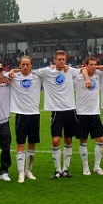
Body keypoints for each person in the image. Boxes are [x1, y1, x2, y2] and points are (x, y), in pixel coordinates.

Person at [33, 49, 87, 179]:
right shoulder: (47, 71)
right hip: (57, 111)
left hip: (70, 110)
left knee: (68, 139)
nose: (62, 62)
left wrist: (86, 77)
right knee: (56, 140)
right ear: (54, 60)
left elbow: (85, 69)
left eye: (63, 59)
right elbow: (29, 70)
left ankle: (65, 169)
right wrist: (13, 71)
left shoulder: (70, 70)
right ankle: (57, 170)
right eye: (59, 59)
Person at [8, 56, 42, 183]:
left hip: (34, 114)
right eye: (23, 64)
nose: (25, 67)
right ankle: (21, 173)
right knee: (21, 144)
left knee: (32, 144)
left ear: (31, 65)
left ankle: (28, 170)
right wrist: (13, 71)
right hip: (21, 115)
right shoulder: (13, 76)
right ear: (19, 65)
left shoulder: (37, 76)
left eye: (28, 64)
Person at [74, 57, 103, 175]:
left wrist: (97, 67)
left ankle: (97, 166)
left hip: (94, 113)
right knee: (83, 140)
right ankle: (85, 167)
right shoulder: (78, 77)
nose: (93, 66)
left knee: (100, 139)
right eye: (91, 64)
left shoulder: (98, 75)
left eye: (95, 64)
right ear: (86, 65)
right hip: (81, 113)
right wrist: (86, 77)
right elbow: (81, 70)